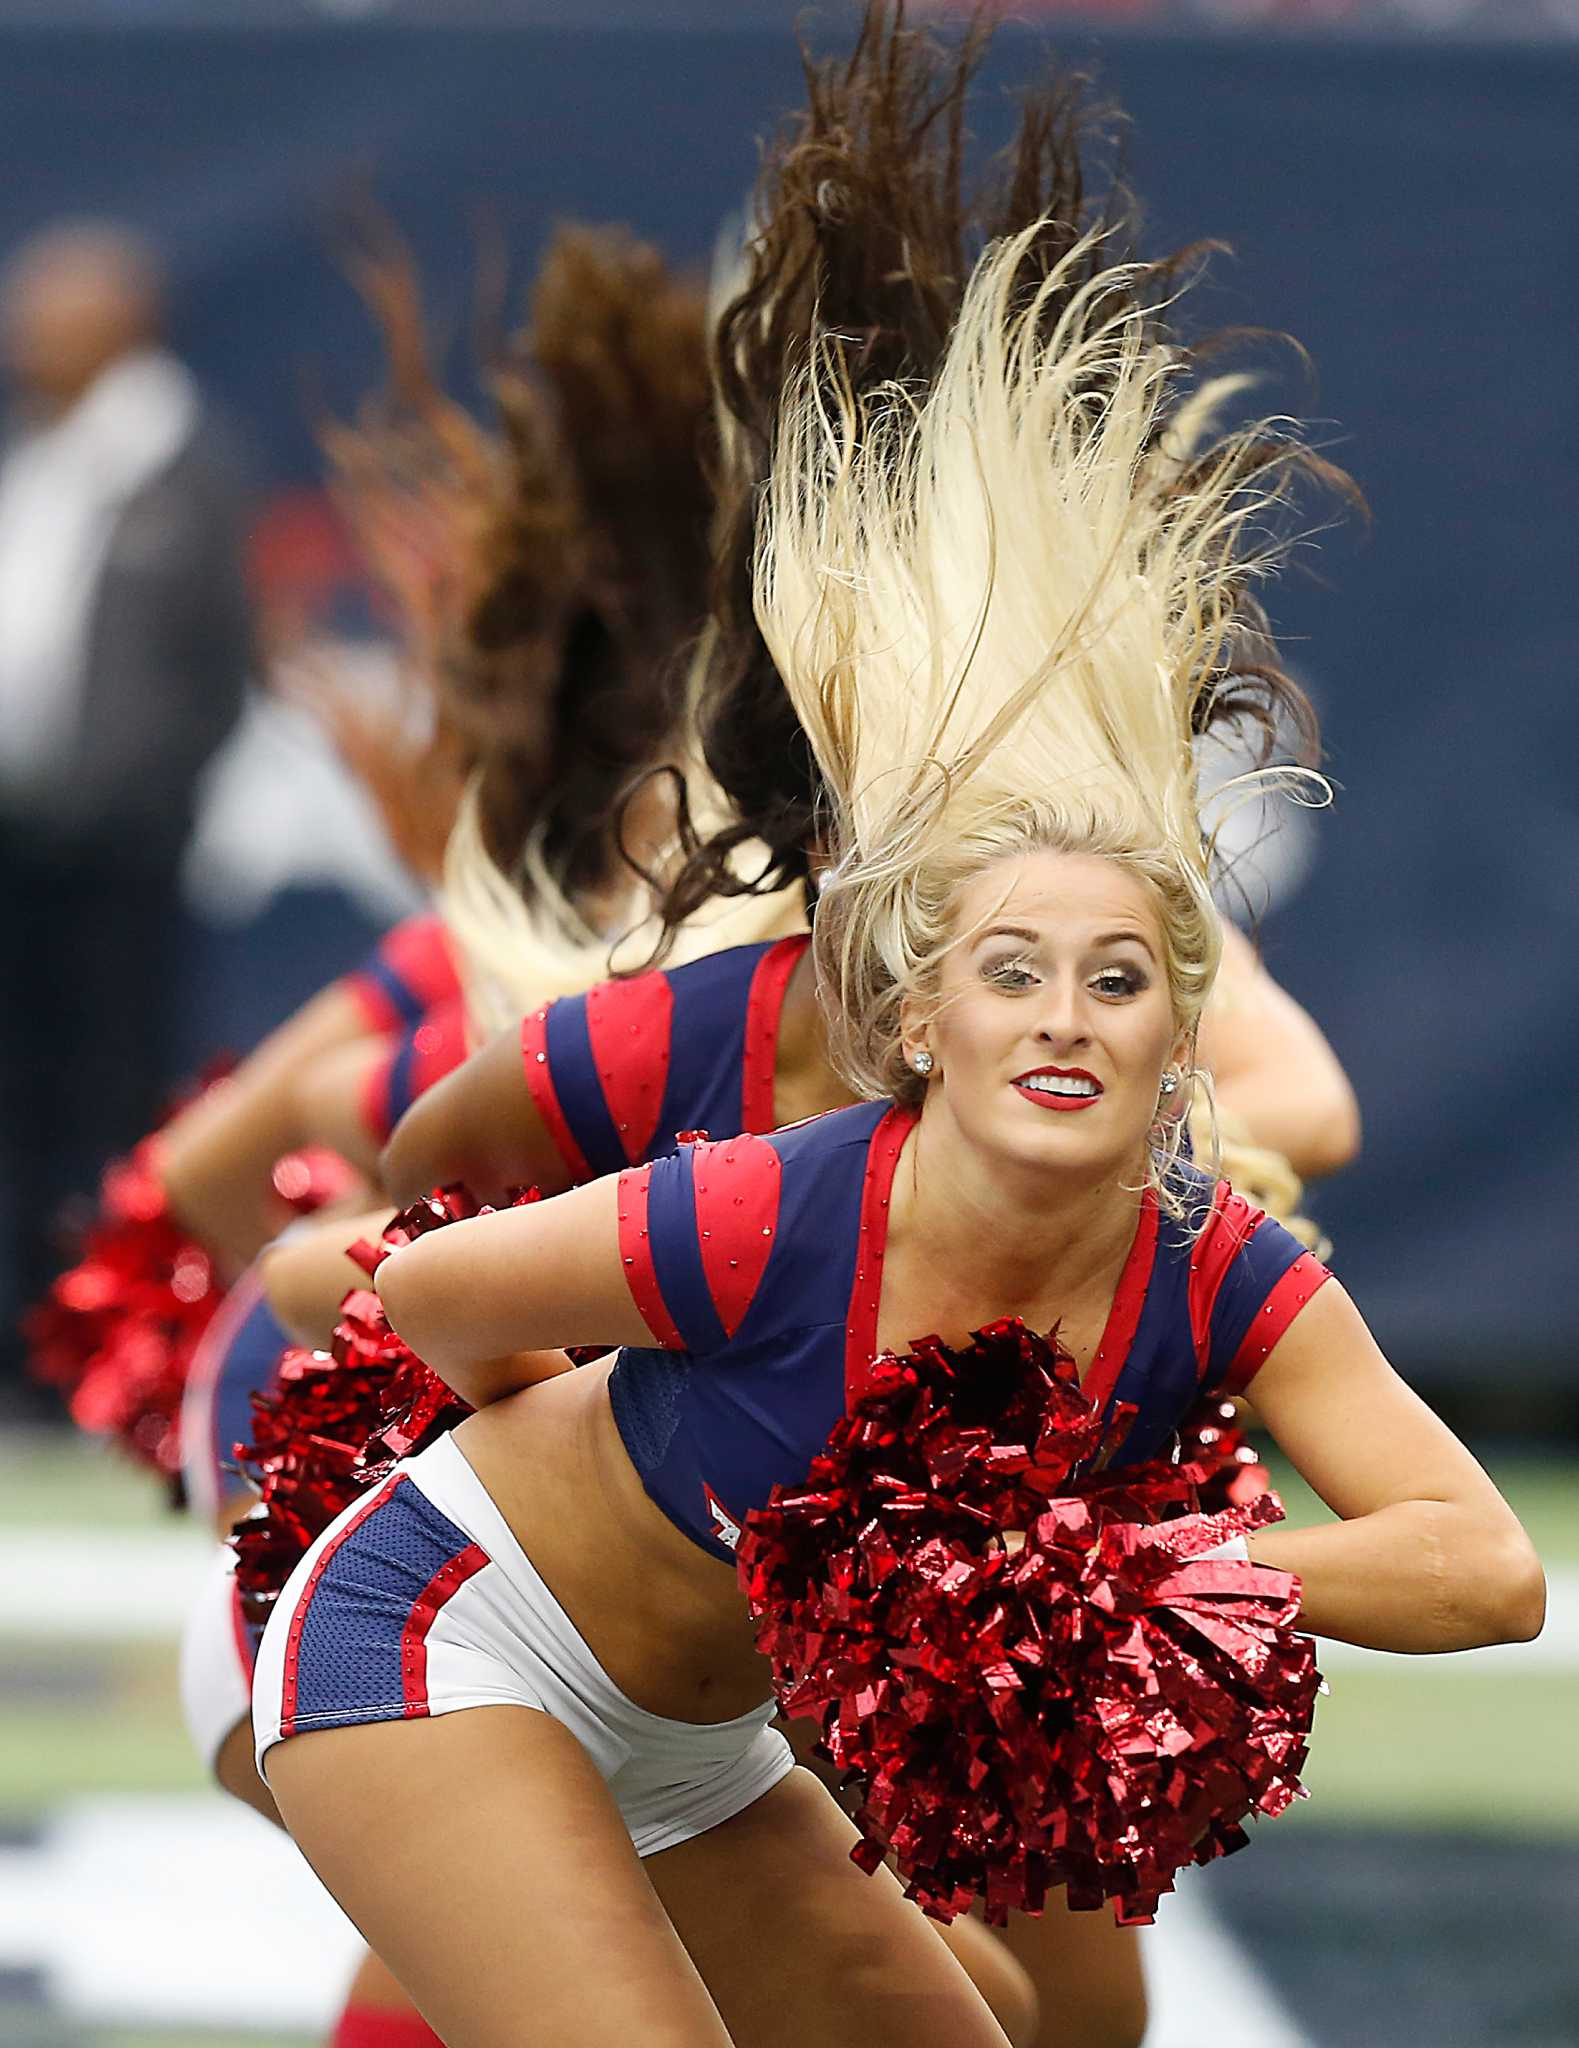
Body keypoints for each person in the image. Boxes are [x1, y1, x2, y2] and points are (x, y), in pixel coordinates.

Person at [251, 210, 1543, 2048]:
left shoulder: (1218, 1268)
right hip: (449, 1633)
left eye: (1114, 981)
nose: (1060, 1019)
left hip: (694, 1745)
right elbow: (424, 1274)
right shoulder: (763, 1204)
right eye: (1009, 973)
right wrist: (553, 1443)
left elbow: (1480, 1565)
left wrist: (1131, 1568)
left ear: (1188, 1027)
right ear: (918, 1019)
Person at [0, 220, 254, 1410]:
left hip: (117, 856)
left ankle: (97, 1359)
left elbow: (213, 671)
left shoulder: (185, 468)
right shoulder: (38, 457)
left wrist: (128, 798)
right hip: (16, 842)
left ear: (121, 321)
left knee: (110, 1104)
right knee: (18, 1100)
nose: (21, 329)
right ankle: (18, 1345)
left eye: (48, 308)